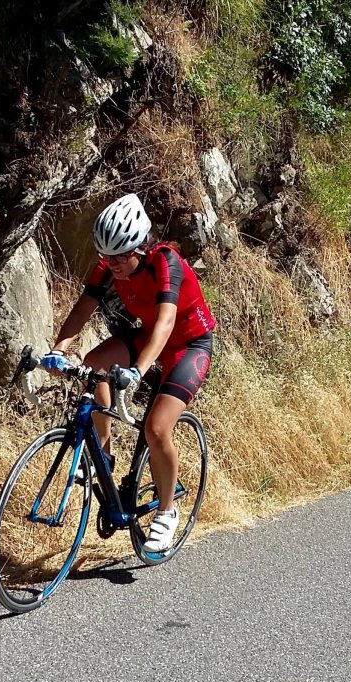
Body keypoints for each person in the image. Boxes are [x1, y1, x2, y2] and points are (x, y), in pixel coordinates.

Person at [40, 193, 216, 552]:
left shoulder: (167, 263)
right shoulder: (108, 265)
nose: (112, 264)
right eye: (106, 256)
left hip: (189, 344)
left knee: (156, 427)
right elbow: (83, 308)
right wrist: (58, 349)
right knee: (92, 364)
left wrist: (137, 371)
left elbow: (166, 323)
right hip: (149, 335)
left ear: (140, 247)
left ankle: (167, 511)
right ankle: (101, 458)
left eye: (120, 256)